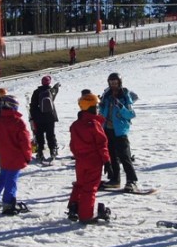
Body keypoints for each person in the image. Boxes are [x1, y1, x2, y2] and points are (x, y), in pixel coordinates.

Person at [67, 92, 112, 224]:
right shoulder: (94, 124)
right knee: (90, 187)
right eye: (96, 106)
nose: (98, 109)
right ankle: (85, 215)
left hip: (80, 161)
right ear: (91, 107)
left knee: (80, 184)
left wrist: (78, 155)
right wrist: (106, 160)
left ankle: (73, 207)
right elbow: (102, 144)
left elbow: (72, 145)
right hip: (94, 161)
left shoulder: (76, 125)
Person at [0, 95, 33, 215]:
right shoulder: (18, 122)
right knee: (11, 180)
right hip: (16, 157)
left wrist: (1, 151)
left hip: (5, 156)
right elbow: (25, 142)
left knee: (2, 178)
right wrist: (27, 156)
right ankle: (8, 204)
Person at [99, 72, 139, 192]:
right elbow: (102, 111)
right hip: (107, 129)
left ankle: (132, 181)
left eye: (115, 82)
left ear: (119, 83)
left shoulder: (125, 95)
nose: (113, 85)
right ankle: (115, 179)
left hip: (120, 131)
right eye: (111, 82)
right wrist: (100, 105)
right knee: (112, 156)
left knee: (125, 157)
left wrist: (121, 107)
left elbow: (131, 114)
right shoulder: (107, 95)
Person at [29, 75, 61, 161]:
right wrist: (57, 86)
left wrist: (33, 116)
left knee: (39, 135)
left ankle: (40, 152)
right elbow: (55, 90)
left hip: (39, 118)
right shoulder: (51, 91)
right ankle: (53, 150)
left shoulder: (36, 92)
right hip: (50, 117)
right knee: (50, 134)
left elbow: (33, 105)